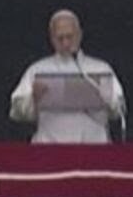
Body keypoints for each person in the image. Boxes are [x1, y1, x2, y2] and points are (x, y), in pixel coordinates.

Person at [10, 9, 126, 144]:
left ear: (80, 35)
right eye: (59, 38)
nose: (65, 43)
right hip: (49, 147)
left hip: (94, 146)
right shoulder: (37, 70)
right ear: (51, 39)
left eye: (70, 37)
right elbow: (16, 112)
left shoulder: (101, 69)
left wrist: (107, 97)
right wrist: (34, 98)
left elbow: (120, 110)